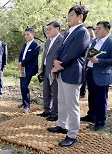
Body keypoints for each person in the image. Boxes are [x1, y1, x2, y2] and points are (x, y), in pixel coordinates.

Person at [47, 5, 90, 147]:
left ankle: (72, 135)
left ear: (80, 17)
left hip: (72, 72)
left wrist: (61, 64)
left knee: (72, 105)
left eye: (71, 14)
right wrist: (56, 62)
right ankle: (62, 125)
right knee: (62, 102)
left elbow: (75, 52)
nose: (68, 17)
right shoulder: (69, 32)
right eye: (68, 14)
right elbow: (61, 50)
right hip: (63, 72)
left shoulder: (82, 32)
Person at [81, 21, 112, 131]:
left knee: (101, 99)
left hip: (102, 75)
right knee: (91, 96)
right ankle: (91, 115)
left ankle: (100, 121)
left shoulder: (110, 42)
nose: (96, 31)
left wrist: (99, 61)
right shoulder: (93, 41)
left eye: (99, 28)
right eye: (96, 28)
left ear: (107, 30)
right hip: (90, 71)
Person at [37, 21, 63, 122]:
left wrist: (57, 69)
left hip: (54, 70)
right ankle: (46, 110)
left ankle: (55, 113)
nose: (48, 31)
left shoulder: (61, 40)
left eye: (50, 28)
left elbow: (62, 56)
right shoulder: (48, 41)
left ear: (57, 29)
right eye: (47, 29)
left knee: (55, 92)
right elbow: (45, 55)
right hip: (45, 68)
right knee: (46, 90)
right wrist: (41, 67)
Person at [18, 28, 40, 113]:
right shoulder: (25, 44)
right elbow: (21, 54)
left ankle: (27, 106)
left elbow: (31, 57)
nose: (26, 36)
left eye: (28, 34)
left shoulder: (36, 45)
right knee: (21, 85)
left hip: (30, 68)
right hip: (22, 68)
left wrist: (22, 62)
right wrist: (20, 62)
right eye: (25, 34)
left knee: (24, 85)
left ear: (32, 35)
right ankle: (24, 103)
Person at [80, 26, 96, 97]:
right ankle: (82, 92)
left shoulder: (96, 40)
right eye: (88, 30)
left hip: (94, 62)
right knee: (83, 76)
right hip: (85, 61)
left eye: (90, 30)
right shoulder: (86, 40)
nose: (89, 32)